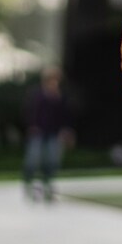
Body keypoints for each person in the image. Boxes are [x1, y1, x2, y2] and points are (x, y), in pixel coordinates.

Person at [22, 67, 73, 201]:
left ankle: (47, 185)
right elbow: (31, 111)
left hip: (53, 132)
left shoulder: (60, 95)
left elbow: (65, 115)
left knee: (51, 160)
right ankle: (29, 183)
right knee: (33, 159)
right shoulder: (37, 94)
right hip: (38, 132)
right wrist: (32, 125)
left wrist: (66, 130)